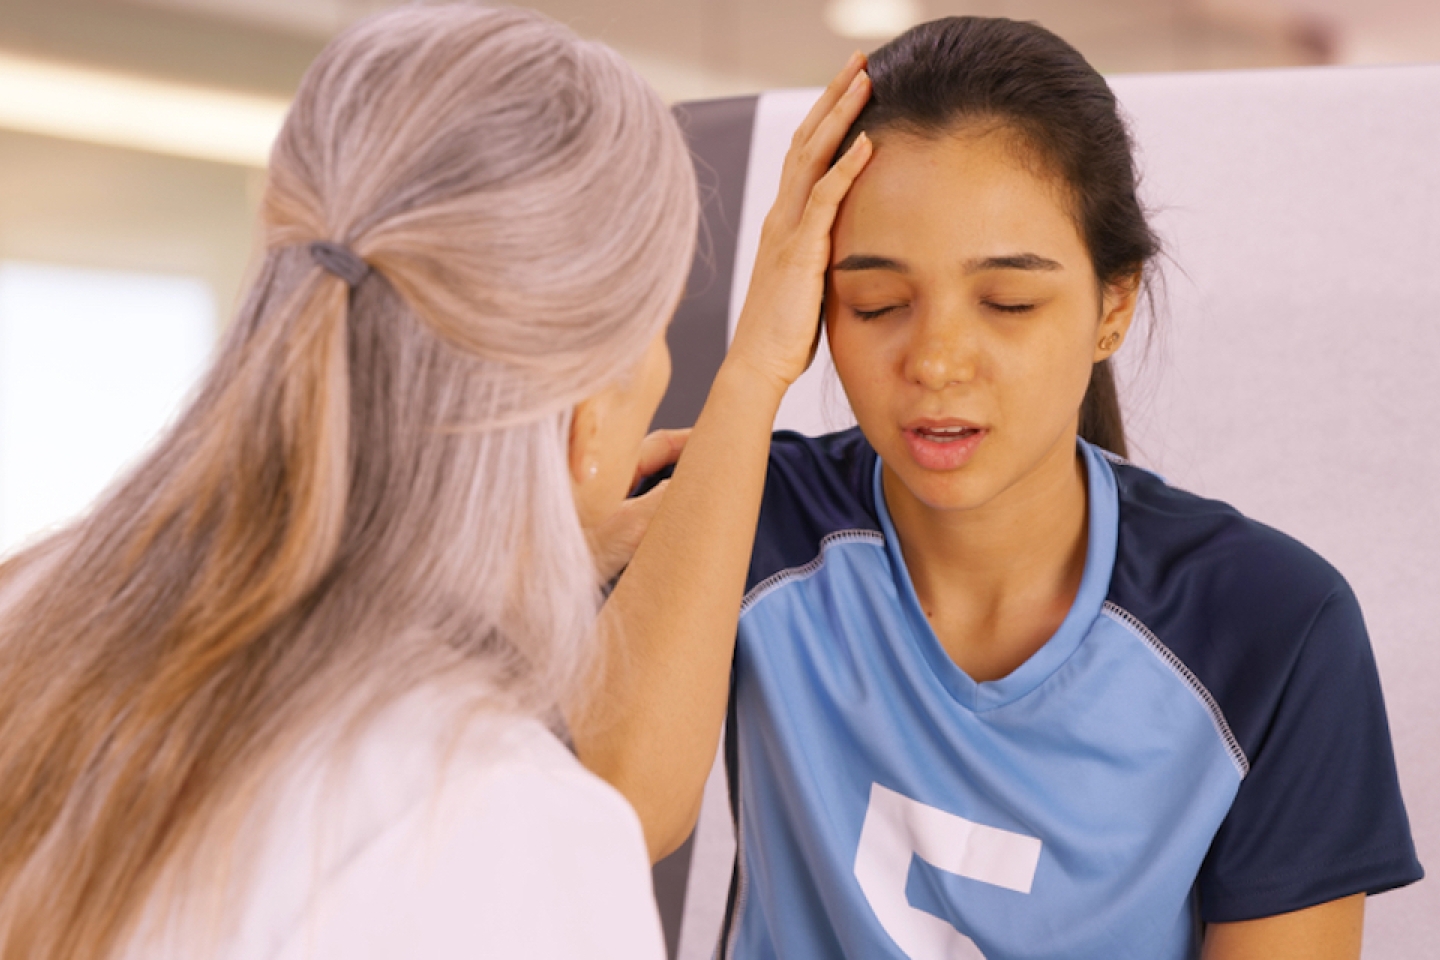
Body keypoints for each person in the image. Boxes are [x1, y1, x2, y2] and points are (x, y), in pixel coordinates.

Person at [574, 16, 1423, 960]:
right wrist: (752, 371)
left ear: (1113, 305)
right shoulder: (744, 517)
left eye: (1008, 303)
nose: (935, 361)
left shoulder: (1271, 625)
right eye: (876, 303)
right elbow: (615, 817)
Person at [0, 5, 698, 958]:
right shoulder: (515, 828)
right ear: (588, 410)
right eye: (657, 326)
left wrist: (535, 556)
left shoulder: (31, 620)